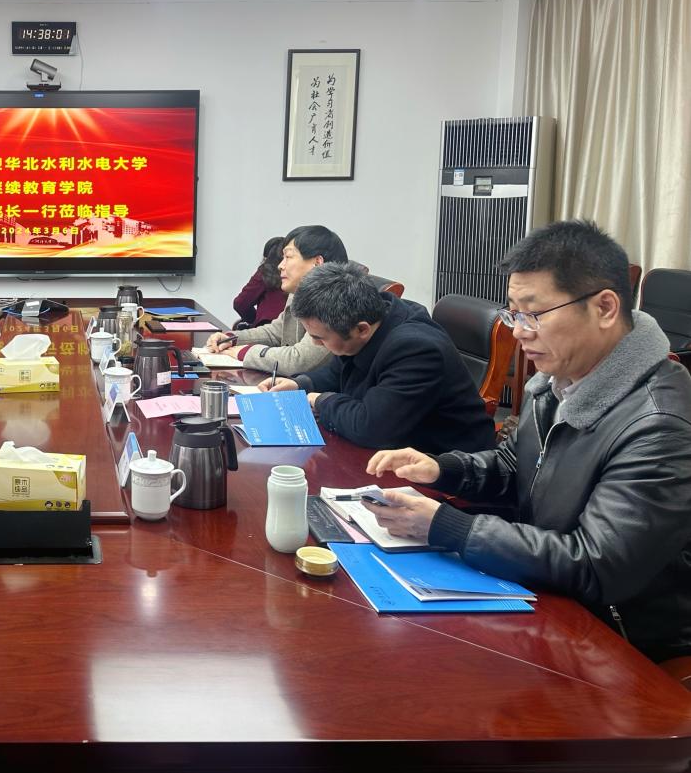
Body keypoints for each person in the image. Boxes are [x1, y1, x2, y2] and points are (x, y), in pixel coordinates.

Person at [365, 221, 691, 662]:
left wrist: (448, 527)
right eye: (513, 313)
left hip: (617, 639)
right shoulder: (556, 380)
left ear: (605, 308)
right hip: (541, 589)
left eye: (533, 314)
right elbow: (515, 465)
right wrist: (442, 468)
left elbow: (597, 566)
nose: (519, 332)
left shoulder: (660, 424)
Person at [259, 261, 494, 453]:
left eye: (320, 338)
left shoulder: (416, 349)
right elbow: (337, 372)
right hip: (395, 454)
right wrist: (300, 385)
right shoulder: (371, 318)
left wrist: (320, 401)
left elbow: (371, 428)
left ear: (361, 329)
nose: (315, 343)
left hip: (445, 471)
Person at [205, 224, 347, 375]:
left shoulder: (337, 300)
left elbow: (300, 360)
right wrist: (232, 338)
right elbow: (275, 332)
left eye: (288, 257)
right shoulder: (299, 292)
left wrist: (245, 352)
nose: (280, 265)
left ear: (317, 262)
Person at [231, 236, 288, 326]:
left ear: (267, 257)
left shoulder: (267, 271)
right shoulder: (298, 272)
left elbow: (241, 303)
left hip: (268, 327)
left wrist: (255, 320)